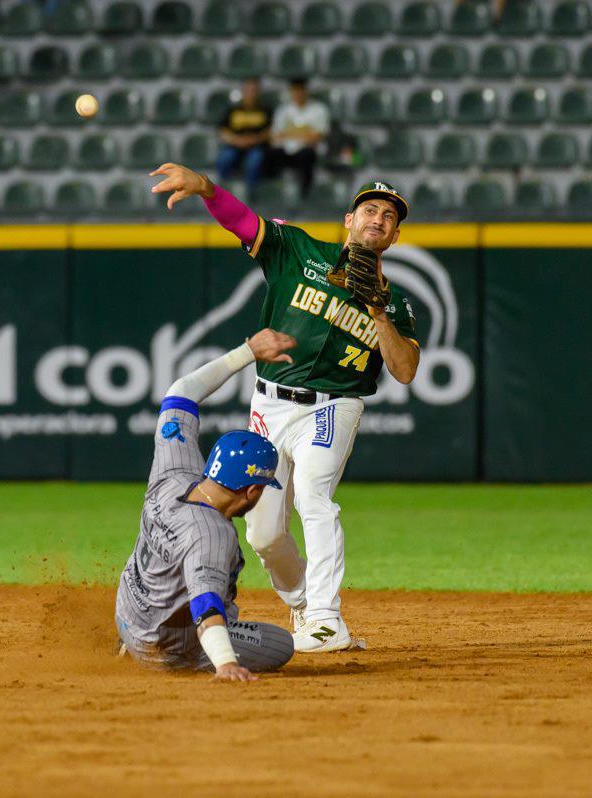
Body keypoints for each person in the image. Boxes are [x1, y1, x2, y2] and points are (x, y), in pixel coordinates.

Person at [150, 163, 421, 653]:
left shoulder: (396, 303)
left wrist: (377, 310)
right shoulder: (298, 250)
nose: (378, 218)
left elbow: (404, 370)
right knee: (264, 533)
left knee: (314, 496)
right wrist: (207, 189)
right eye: (370, 210)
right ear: (349, 219)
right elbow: (244, 222)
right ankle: (301, 602)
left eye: (388, 216)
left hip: (334, 404)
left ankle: (324, 618)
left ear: (395, 236)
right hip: (271, 403)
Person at [116, 328, 299, 681]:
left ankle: (130, 639)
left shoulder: (175, 470)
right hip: (162, 648)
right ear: (251, 491)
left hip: (128, 615)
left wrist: (247, 351)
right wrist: (226, 662)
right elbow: (205, 605)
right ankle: (180, 659)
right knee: (280, 644)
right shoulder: (212, 535)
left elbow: (180, 392)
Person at [270, 79, 329, 200]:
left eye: (301, 91)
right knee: (269, 155)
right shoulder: (283, 111)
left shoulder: (318, 109)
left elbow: (318, 136)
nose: (298, 94)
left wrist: (289, 134)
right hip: (285, 151)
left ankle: (305, 196)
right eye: (295, 91)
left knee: (307, 155)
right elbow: (275, 135)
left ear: (306, 91)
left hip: (307, 151)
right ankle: (273, 194)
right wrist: (303, 134)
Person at [215, 78, 272, 201]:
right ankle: (222, 193)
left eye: (254, 90)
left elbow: (270, 132)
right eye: (249, 90)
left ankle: (251, 195)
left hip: (257, 147)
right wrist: (238, 141)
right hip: (234, 146)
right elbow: (223, 132)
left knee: (255, 160)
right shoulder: (233, 110)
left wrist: (253, 140)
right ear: (243, 91)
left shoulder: (265, 110)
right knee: (224, 158)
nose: (251, 93)